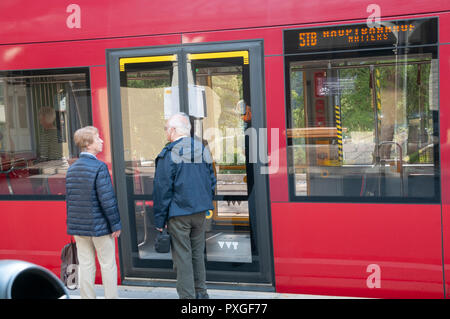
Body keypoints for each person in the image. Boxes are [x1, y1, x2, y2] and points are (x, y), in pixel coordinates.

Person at [153, 112, 216, 299]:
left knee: (183, 258)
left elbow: (162, 190)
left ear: (173, 130)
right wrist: (205, 203)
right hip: (199, 213)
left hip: (178, 214)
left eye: (166, 129)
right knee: (197, 254)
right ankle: (201, 294)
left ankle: (188, 299)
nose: (166, 132)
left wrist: (159, 219)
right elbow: (211, 181)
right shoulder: (201, 149)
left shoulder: (169, 153)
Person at [65, 126, 122, 299]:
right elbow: (107, 200)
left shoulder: (71, 169)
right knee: (107, 264)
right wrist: (115, 225)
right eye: (98, 138)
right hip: (100, 228)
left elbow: (71, 201)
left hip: (78, 228)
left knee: (86, 264)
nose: (101, 141)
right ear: (88, 144)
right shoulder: (99, 167)